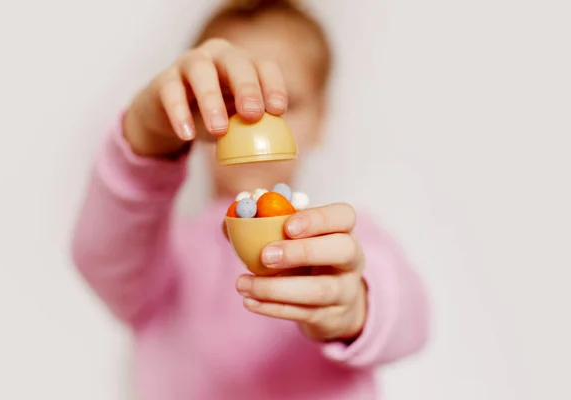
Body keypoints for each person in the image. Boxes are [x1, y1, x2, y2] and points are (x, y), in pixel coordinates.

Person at [71, 1, 429, 398]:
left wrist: (354, 305)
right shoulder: (161, 255)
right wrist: (144, 138)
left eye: (285, 104)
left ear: (320, 121)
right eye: (231, 105)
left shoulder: (344, 242)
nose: (256, 120)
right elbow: (101, 254)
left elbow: (412, 318)